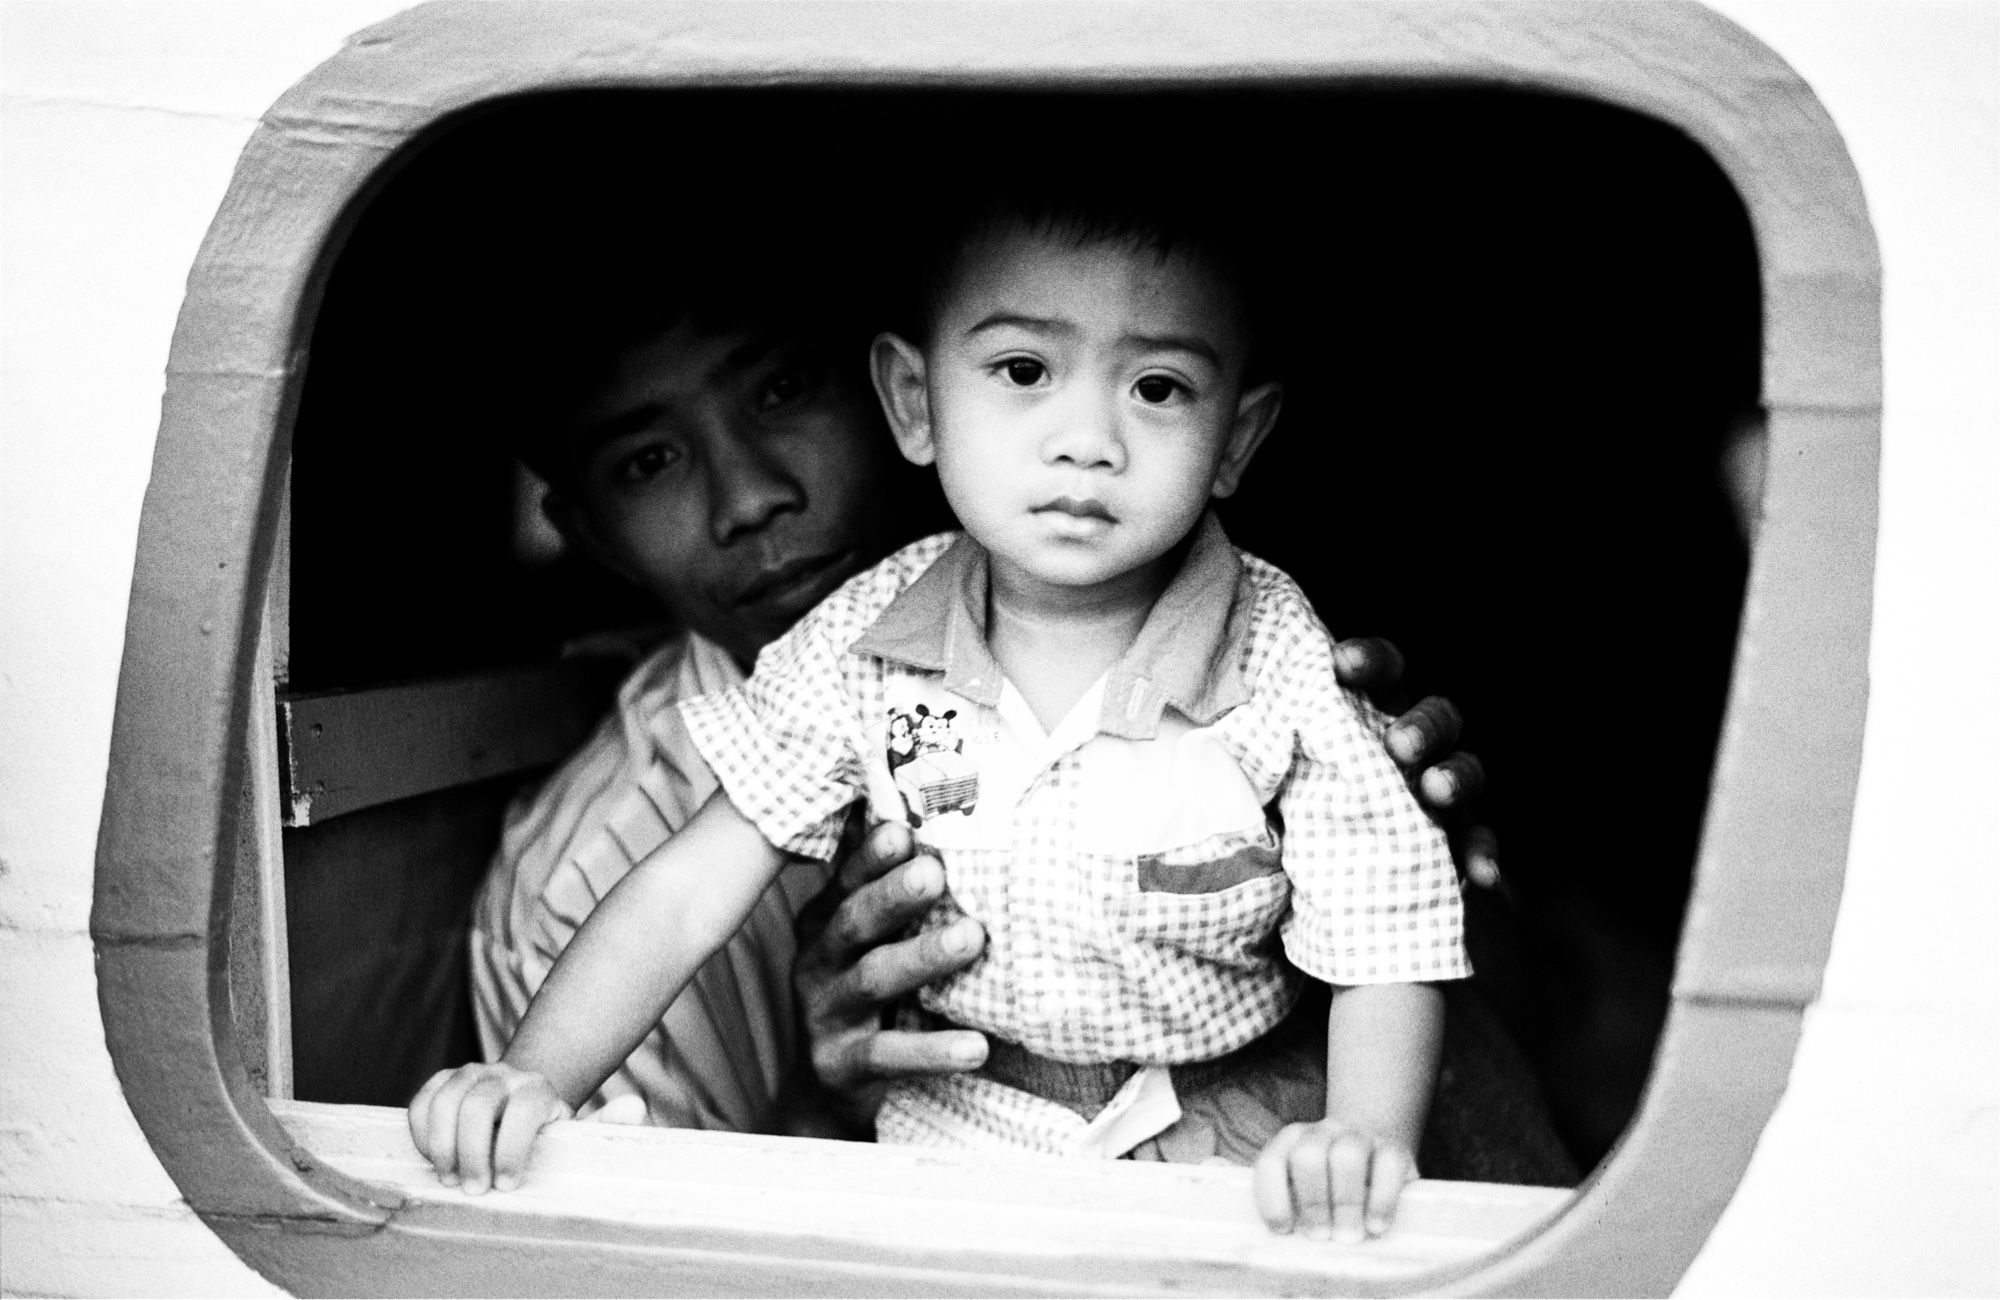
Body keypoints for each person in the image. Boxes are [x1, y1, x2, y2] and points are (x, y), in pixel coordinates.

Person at [419, 193, 1481, 1240]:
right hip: (957, 1142)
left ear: (1236, 440)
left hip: (1231, 1143)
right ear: (915, 403)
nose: (1087, 440)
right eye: (1024, 372)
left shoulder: (1281, 654)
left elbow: (1383, 937)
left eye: (1157, 386)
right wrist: (527, 1076)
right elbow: (683, 893)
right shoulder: (860, 640)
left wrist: (1356, 1135)